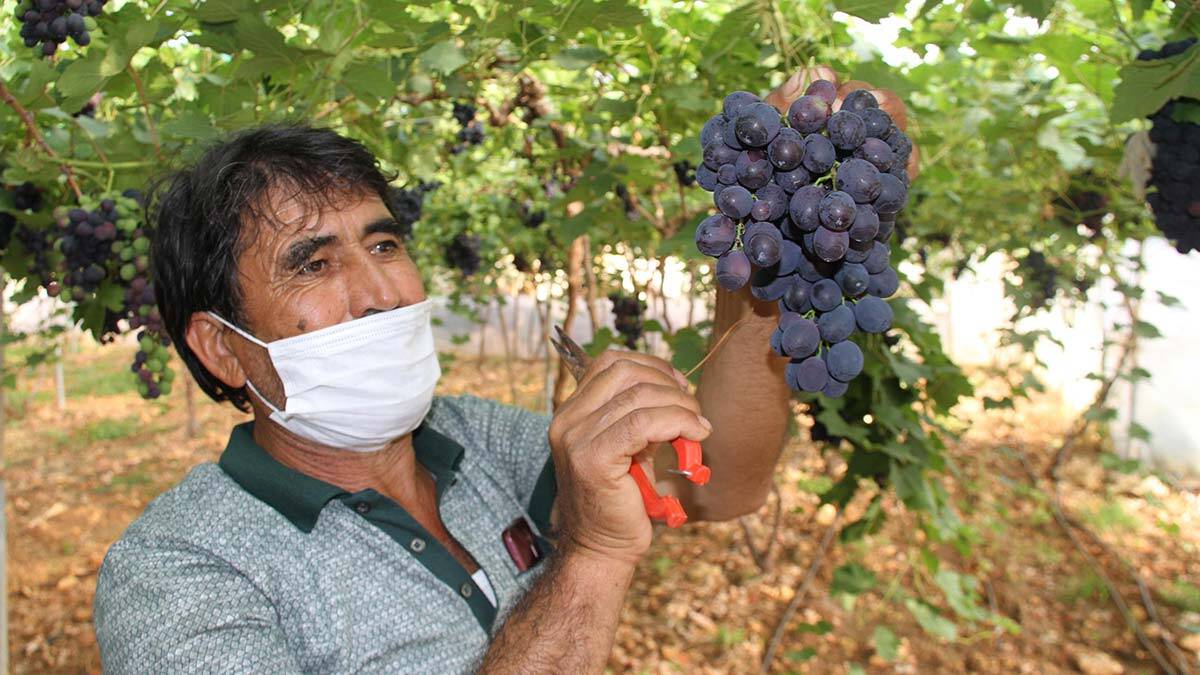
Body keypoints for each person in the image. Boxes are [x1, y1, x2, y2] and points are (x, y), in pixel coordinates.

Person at [93, 68, 914, 673]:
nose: (379, 291)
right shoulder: (181, 570)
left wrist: (774, 254)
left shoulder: (470, 440)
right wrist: (589, 556)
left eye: (383, 243)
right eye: (313, 264)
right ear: (222, 346)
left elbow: (715, 483)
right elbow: (600, 548)